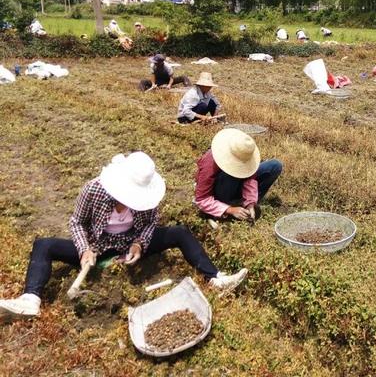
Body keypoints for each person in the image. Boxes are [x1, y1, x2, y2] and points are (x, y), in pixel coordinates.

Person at [0, 152, 248, 320]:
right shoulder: (94, 189)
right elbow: (76, 222)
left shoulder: (149, 196)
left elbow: (151, 223)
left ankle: (215, 278)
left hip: (129, 243)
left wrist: (140, 244)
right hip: (98, 247)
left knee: (180, 232)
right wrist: (85, 248)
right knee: (43, 244)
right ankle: (31, 298)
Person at [195, 129, 282, 227]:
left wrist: (250, 203)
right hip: (220, 190)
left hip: (235, 185)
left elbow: (250, 179)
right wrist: (229, 209)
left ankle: (244, 206)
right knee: (230, 175)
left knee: (275, 166)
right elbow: (202, 199)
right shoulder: (210, 162)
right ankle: (224, 209)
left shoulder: (245, 155)